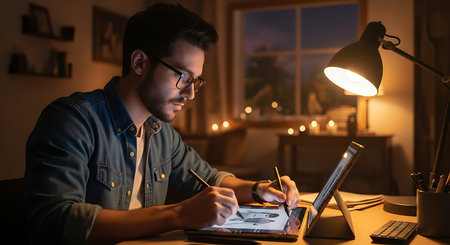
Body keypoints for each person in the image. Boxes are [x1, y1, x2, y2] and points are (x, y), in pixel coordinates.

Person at [23, 3, 300, 245]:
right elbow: (57, 220)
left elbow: (210, 180)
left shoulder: (162, 134)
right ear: (140, 63)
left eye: (196, 81)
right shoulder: (72, 121)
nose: (191, 94)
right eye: (183, 77)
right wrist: (178, 214)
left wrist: (259, 189)